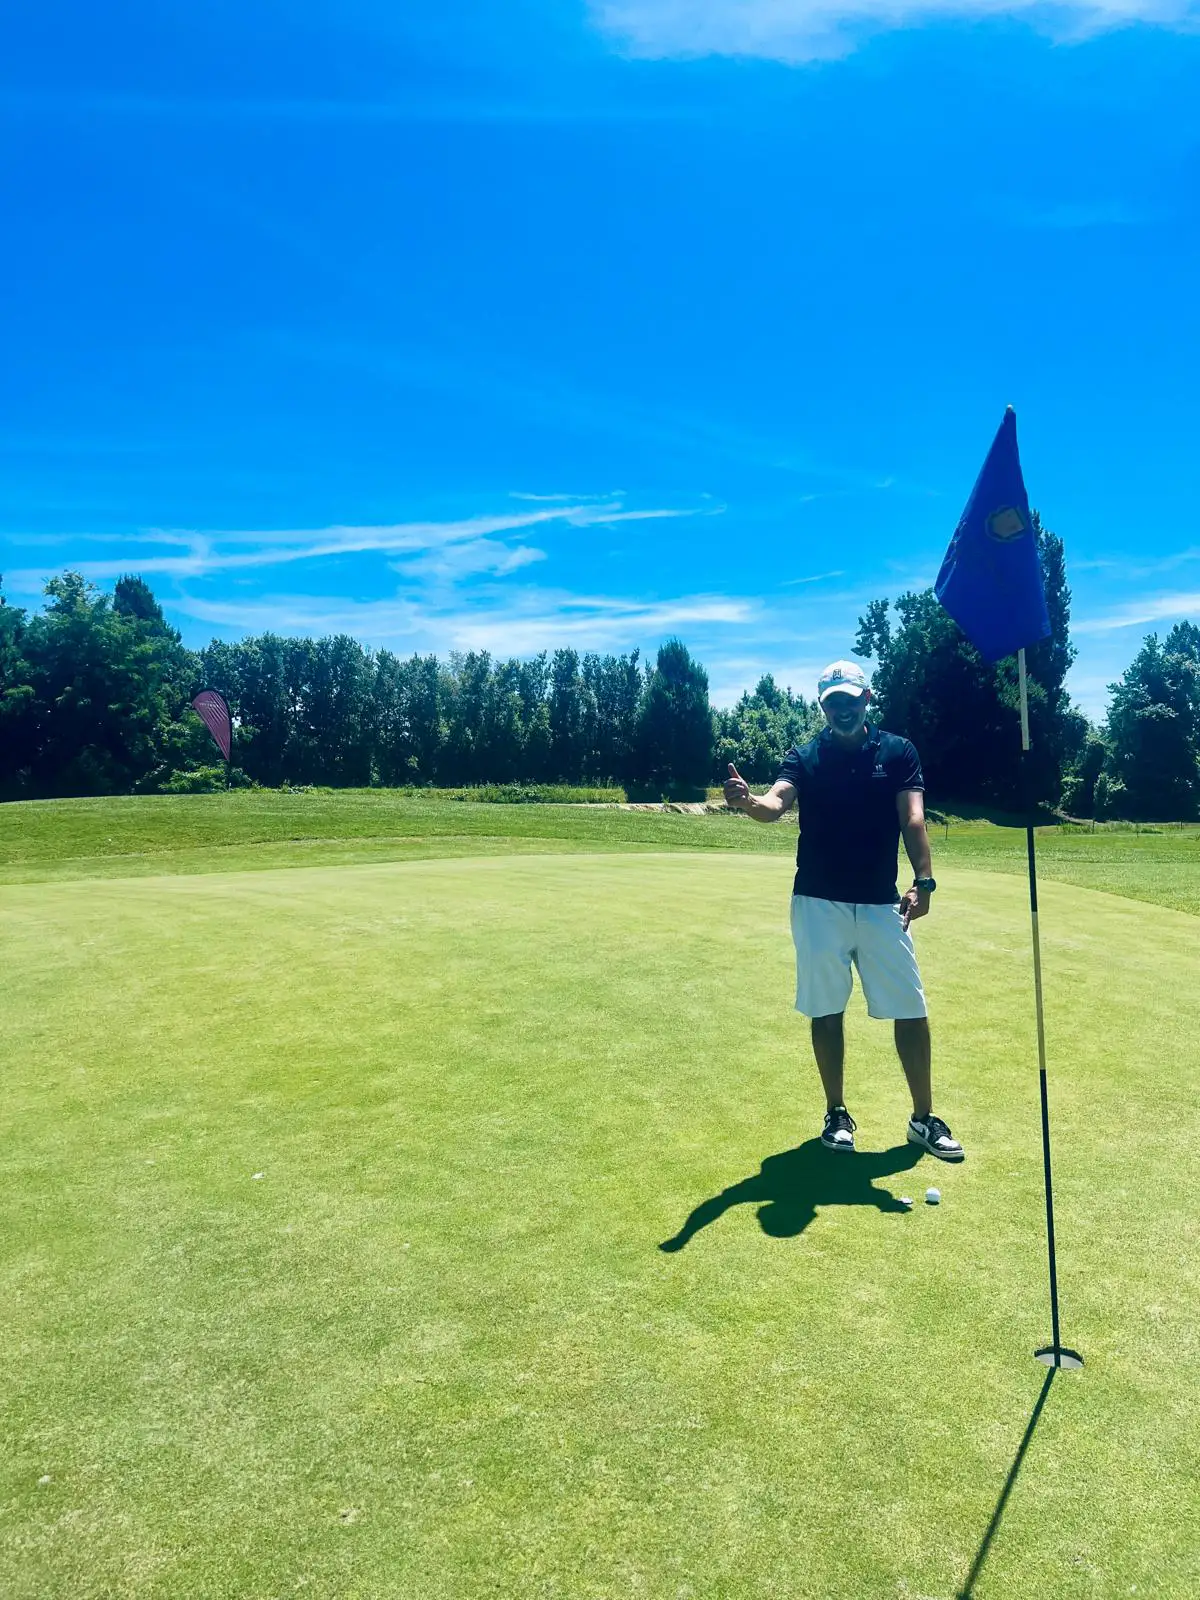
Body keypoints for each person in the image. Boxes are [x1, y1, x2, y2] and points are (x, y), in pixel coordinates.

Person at [723, 660, 964, 1162]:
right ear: (823, 707)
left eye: (850, 699)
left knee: (911, 1007)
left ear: (866, 698)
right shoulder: (806, 756)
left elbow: (913, 818)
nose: (843, 709)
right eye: (833, 702)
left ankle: (922, 1118)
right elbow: (776, 804)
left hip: (880, 901)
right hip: (818, 901)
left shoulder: (897, 751)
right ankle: (836, 1114)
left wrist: (924, 881)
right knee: (827, 1008)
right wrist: (748, 803)